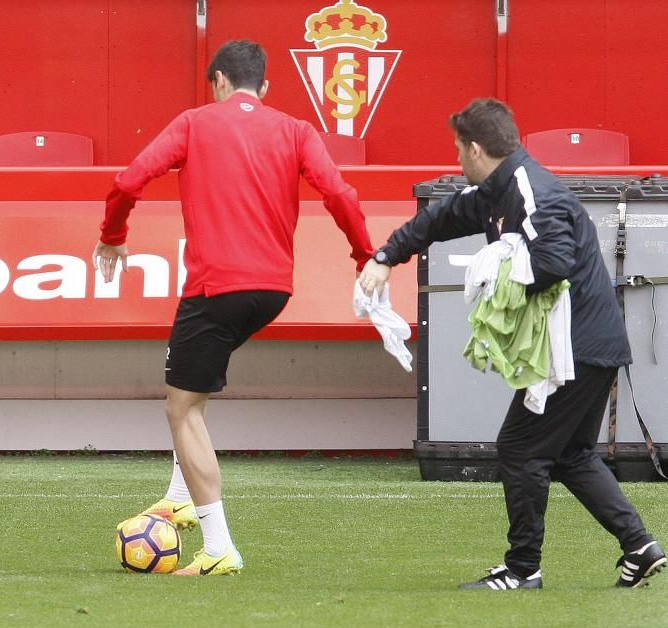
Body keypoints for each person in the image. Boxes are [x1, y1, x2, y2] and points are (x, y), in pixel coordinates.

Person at [359, 98, 665, 590]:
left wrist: (499, 281)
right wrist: (385, 256)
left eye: (459, 150)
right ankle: (640, 545)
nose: (456, 160)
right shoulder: (497, 189)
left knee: (519, 449)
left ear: (476, 149)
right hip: (593, 344)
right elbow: (439, 220)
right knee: (572, 455)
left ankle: (523, 570)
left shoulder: (529, 190)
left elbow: (554, 262)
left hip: (576, 348)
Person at [93, 40, 374, 576]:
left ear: (217, 81)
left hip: (214, 288)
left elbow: (128, 180)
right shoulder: (294, 129)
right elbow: (340, 194)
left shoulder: (196, 122)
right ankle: (179, 495)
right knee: (193, 390)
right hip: (272, 291)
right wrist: (365, 255)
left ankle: (219, 546)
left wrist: (112, 235)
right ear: (263, 88)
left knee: (181, 407)